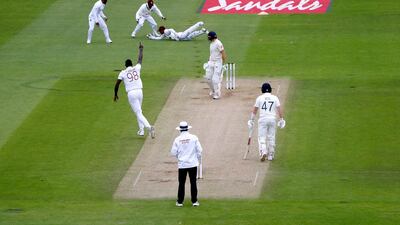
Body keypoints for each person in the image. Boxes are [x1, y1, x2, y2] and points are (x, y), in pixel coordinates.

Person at [114, 42, 155, 138]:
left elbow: (117, 84)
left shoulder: (123, 72)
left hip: (131, 93)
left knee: (138, 112)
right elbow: (140, 59)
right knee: (139, 111)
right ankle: (141, 130)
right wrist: (141, 49)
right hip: (140, 92)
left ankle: (149, 127)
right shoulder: (136, 68)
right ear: (131, 64)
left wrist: (115, 94)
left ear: (125, 65)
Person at [248, 83, 286, 161]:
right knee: (271, 137)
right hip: (272, 119)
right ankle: (270, 155)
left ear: (262, 90)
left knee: (261, 137)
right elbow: (279, 109)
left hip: (263, 119)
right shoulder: (275, 98)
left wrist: (251, 120)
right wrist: (281, 119)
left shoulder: (259, 98)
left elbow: (255, 110)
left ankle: (263, 151)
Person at [170, 121, 202, 207]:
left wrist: (179, 157)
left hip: (182, 165)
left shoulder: (177, 139)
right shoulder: (194, 137)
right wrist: (195, 157)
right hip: (192, 164)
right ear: (187, 128)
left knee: (181, 183)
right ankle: (194, 201)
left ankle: (180, 202)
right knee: (193, 182)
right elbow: (200, 150)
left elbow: (173, 152)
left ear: (180, 130)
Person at [204, 31, 227, 100]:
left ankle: (217, 94)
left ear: (211, 37)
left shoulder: (218, 43)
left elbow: (223, 53)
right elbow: (212, 53)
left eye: (209, 37)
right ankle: (213, 90)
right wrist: (209, 61)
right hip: (211, 62)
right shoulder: (212, 43)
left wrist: (222, 63)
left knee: (215, 79)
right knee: (207, 78)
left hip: (218, 63)